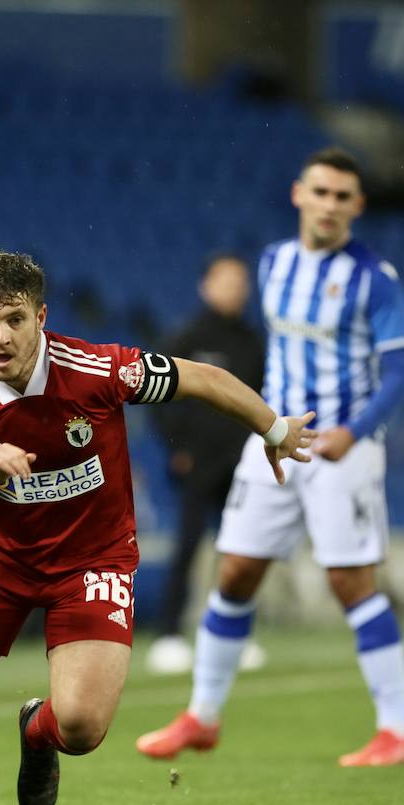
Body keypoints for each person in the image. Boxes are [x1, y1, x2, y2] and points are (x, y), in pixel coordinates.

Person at [0, 251, 315, 805]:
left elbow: (205, 377)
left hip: (93, 563)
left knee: (80, 727)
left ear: (41, 317)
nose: (0, 337)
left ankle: (36, 730)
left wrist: (273, 430)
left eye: (15, 320)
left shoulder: (98, 369)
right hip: (1, 561)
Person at [137, 147, 404, 768]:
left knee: (349, 582)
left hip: (340, 447)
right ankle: (202, 716)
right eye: (320, 192)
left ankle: (399, 729)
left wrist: (357, 429)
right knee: (235, 571)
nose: (329, 205)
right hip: (273, 441)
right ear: (299, 194)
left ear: (358, 206)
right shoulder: (273, 264)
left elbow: (401, 371)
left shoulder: (377, 279)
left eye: (343, 196)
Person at [145, 253, 265, 675]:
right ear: (207, 286)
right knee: (189, 545)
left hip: (243, 462)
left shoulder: (253, 341)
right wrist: (178, 446)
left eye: (240, 281)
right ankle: (170, 634)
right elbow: (156, 396)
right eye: (226, 281)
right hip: (197, 462)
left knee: (241, 550)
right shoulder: (186, 337)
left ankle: (235, 632)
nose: (235, 289)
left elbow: (264, 400)